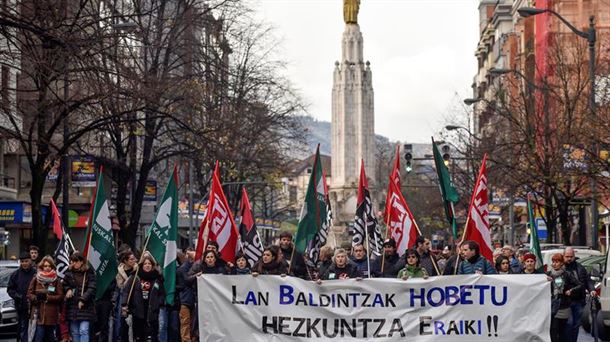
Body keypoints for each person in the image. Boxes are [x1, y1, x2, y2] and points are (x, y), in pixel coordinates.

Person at [121, 253, 165, 342]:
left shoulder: (157, 278)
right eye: (145, 264)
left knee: (152, 336)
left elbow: (162, 293)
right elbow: (126, 291)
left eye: (149, 264)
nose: (147, 265)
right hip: (138, 312)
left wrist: (158, 304)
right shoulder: (135, 277)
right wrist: (124, 304)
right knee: (139, 336)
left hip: (152, 312)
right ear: (142, 265)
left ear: (152, 265)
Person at [27, 256, 64, 342]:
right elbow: (29, 293)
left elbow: (60, 296)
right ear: (42, 267)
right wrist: (36, 298)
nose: (47, 268)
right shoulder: (36, 278)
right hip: (38, 313)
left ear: (52, 267)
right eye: (45, 266)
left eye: (49, 266)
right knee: (38, 337)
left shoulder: (56, 280)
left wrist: (48, 297)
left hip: (51, 315)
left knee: (50, 338)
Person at [547, 253, 581, 342]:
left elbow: (580, 285)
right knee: (553, 330)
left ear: (562, 263)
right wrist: (545, 279)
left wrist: (571, 291)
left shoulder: (567, 274)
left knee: (563, 331)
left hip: (564, 306)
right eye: (553, 262)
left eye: (557, 262)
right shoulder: (548, 274)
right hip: (552, 306)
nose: (554, 264)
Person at [563, 247, 595, 342]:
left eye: (571, 256)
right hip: (566, 302)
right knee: (569, 324)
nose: (569, 258)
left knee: (576, 325)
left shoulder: (580, 268)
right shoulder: (560, 268)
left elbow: (587, 280)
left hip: (579, 301)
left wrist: (592, 290)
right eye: (567, 256)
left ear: (574, 256)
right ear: (563, 256)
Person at [63, 251, 96, 342]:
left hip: (85, 307)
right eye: (72, 261)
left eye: (76, 261)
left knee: (83, 330)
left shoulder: (89, 273)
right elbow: (64, 285)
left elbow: (92, 288)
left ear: (81, 262)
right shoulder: (68, 273)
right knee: (74, 332)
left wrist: (83, 299)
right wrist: (68, 289)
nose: (74, 263)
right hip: (72, 307)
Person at [8, 251, 36, 342]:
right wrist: (17, 296)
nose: (24, 263)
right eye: (22, 261)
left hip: (34, 306)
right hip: (21, 307)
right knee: (23, 328)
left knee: (34, 329)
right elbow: (10, 289)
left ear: (30, 261)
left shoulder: (36, 274)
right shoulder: (15, 275)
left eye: (26, 261)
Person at [116, 251, 137, 342]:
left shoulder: (137, 269)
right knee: (123, 323)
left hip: (136, 298)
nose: (134, 261)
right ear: (125, 261)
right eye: (131, 259)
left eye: (134, 259)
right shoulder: (119, 271)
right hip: (124, 299)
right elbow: (121, 286)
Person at [176, 249, 196, 342]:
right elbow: (187, 280)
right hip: (186, 300)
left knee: (193, 323)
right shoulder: (183, 268)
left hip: (192, 299)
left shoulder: (194, 266)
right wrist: (197, 276)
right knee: (186, 323)